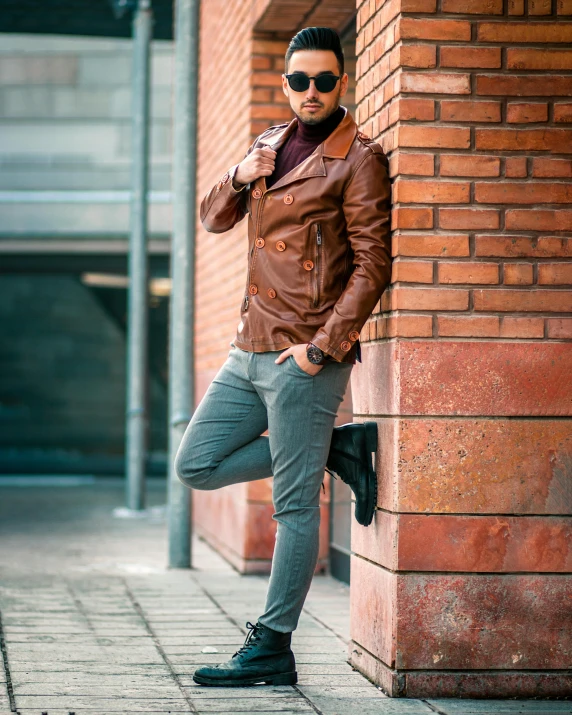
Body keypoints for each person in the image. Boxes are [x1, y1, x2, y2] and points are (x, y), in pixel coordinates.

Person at [174, 26, 392, 688]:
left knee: (295, 508)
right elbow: (213, 218)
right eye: (300, 80)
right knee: (196, 462)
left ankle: (272, 646)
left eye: (325, 80)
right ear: (285, 82)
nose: (312, 92)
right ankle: (333, 448)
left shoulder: (358, 159)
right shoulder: (267, 143)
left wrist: (323, 347)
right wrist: (237, 177)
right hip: (248, 348)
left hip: (305, 356)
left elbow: (373, 262)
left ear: (342, 82)